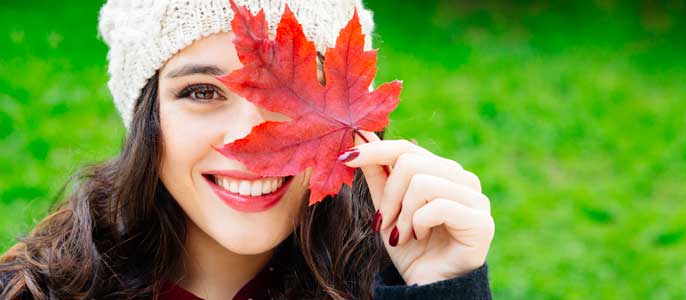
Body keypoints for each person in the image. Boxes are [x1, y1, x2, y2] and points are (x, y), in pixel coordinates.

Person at [0, 0, 495, 299]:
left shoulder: (394, 284)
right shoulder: (37, 290)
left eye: (289, 96)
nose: (248, 142)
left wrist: (440, 289)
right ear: (147, 119)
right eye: (201, 92)